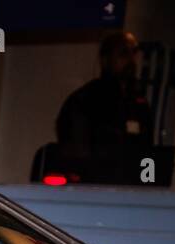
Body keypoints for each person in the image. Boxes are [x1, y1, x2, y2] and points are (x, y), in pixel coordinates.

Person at [55, 32, 153, 173]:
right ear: (105, 60)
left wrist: (149, 183)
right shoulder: (86, 99)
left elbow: (148, 152)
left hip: (132, 185)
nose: (131, 60)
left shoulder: (139, 102)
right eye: (123, 53)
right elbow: (76, 154)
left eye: (134, 53)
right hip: (94, 184)